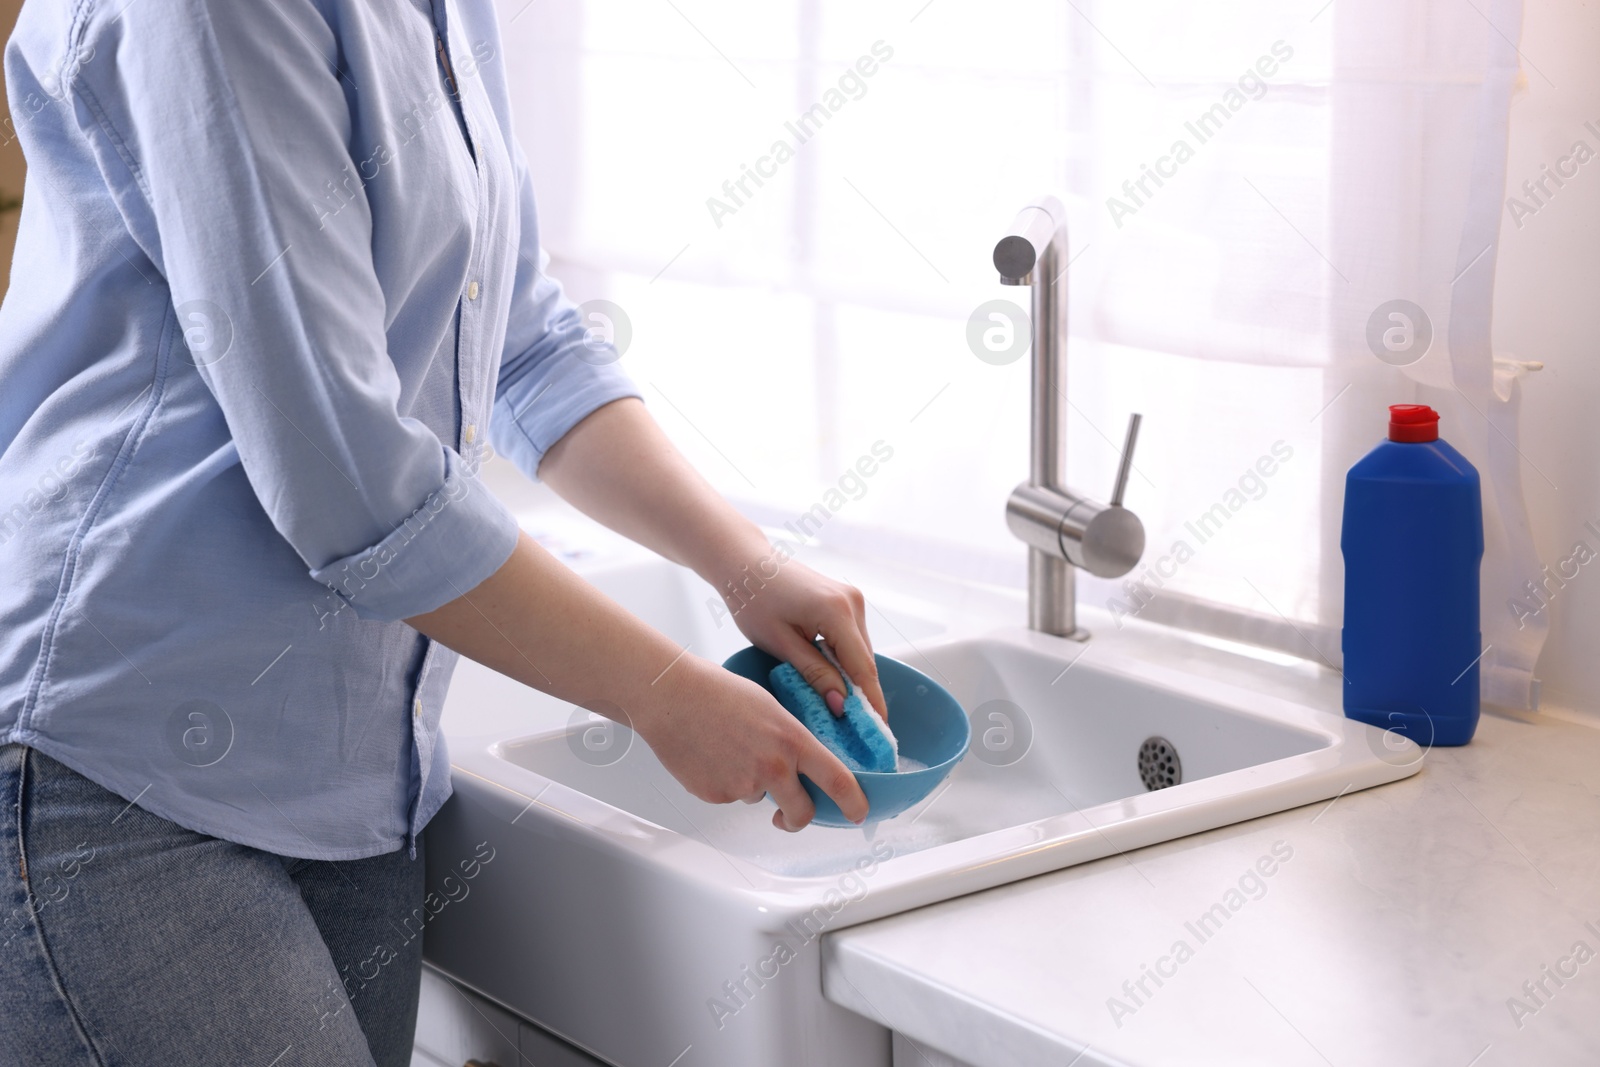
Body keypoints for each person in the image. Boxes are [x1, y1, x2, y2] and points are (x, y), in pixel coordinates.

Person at [0, 2, 885, 1063]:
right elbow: (347, 470)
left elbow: (521, 344)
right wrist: (664, 694)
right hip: (121, 761)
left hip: (353, 789)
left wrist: (746, 567)